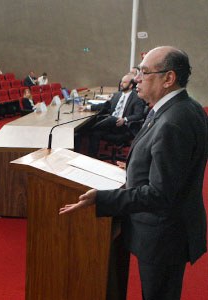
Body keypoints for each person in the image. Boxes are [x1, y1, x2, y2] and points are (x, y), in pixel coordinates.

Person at [60, 46, 207, 300]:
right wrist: (133, 170)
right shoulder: (179, 107)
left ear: (168, 79)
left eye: (144, 72)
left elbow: (160, 193)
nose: (136, 78)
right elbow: (173, 166)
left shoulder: (173, 120)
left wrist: (102, 199)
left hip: (163, 234)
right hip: (165, 229)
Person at [79, 73, 146, 157]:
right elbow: (105, 106)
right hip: (111, 126)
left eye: (124, 82)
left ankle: (86, 129)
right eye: (121, 82)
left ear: (131, 85)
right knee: (95, 133)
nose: (121, 84)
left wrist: (124, 119)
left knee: (111, 119)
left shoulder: (137, 98)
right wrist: (88, 107)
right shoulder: (117, 95)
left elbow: (139, 115)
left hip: (123, 128)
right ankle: (91, 157)